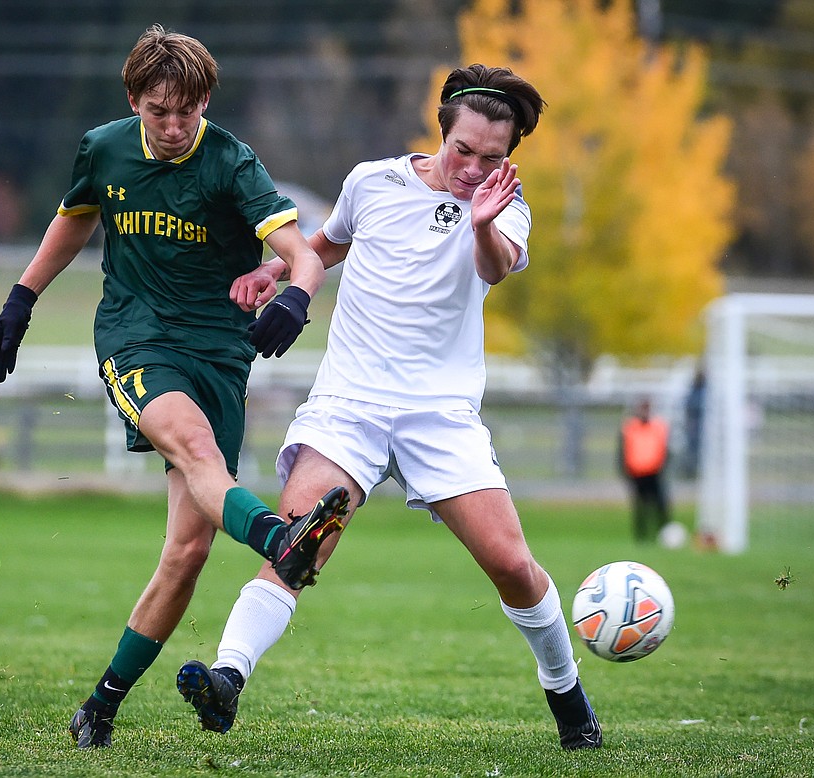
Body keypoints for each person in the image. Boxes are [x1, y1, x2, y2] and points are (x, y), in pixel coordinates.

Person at [176, 64, 603, 751]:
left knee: (513, 567)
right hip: (351, 406)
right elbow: (328, 244)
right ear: (443, 132)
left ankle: (566, 694)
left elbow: (494, 266)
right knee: (299, 544)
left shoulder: (506, 206)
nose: (474, 167)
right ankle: (227, 679)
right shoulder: (371, 181)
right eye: (464, 150)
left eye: (492, 157)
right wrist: (275, 270)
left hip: (441, 416)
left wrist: (485, 224)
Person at [0, 24, 349, 749]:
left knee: (187, 552)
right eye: (159, 112)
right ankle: (280, 538)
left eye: (188, 111)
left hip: (220, 353)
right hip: (137, 338)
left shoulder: (232, 162)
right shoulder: (105, 148)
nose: (175, 127)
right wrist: (21, 299)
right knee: (192, 445)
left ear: (205, 100)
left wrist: (295, 299)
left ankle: (102, 704)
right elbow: (74, 219)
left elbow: (300, 253)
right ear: (134, 102)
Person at [618, 396, 671, 542]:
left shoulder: (658, 426)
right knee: (640, 507)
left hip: (654, 472)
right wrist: (625, 472)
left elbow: (664, 449)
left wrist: (662, 467)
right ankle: (641, 536)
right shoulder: (630, 427)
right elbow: (623, 451)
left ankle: (663, 534)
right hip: (636, 473)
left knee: (660, 505)